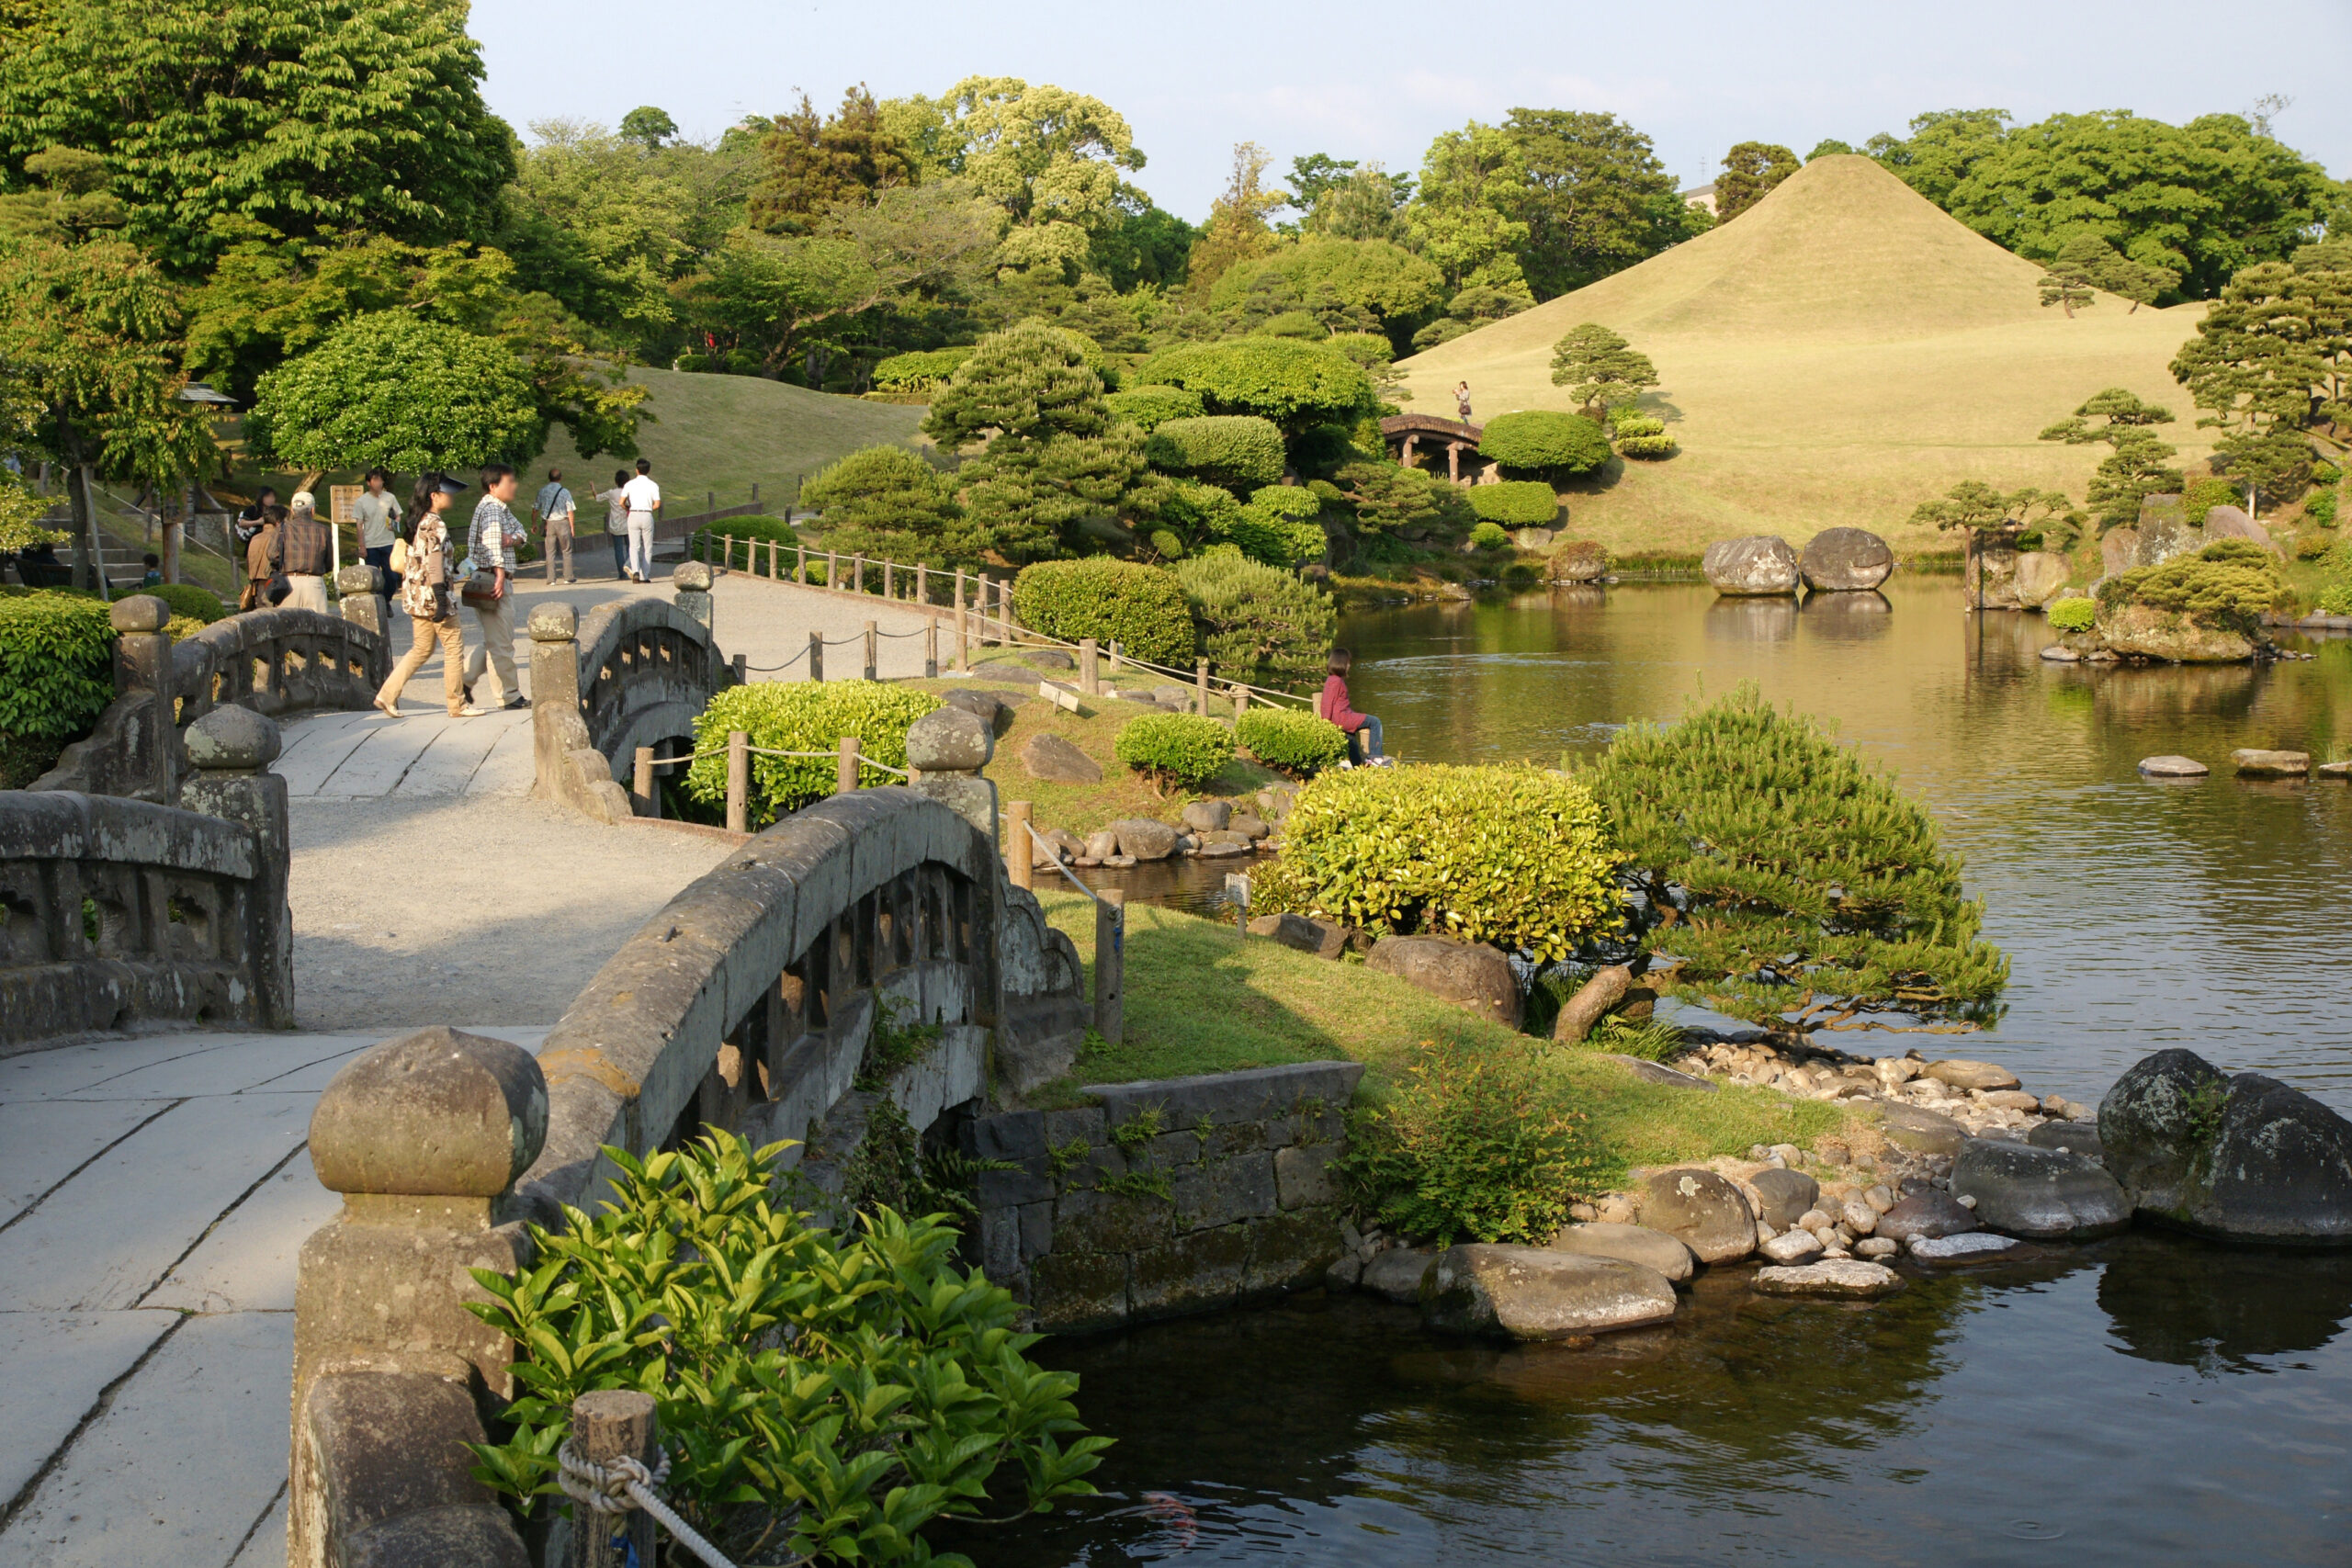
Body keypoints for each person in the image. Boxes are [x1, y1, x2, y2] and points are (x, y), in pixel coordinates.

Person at [376, 473, 481, 717]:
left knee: (421, 649)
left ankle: (386, 695)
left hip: (417, 596)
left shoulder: (419, 521)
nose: (451, 497)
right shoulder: (436, 524)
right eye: (448, 493)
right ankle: (457, 704)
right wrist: (441, 599)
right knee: (453, 648)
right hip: (435, 596)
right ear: (434, 495)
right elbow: (434, 563)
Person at [460, 462, 529, 710]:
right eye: (509, 481)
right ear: (493, 486)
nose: (514, 486)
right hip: (493, 579)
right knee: (501, 644)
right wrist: (500, 574)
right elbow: (491, 544)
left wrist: (513, 538)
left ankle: (463, 681)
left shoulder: (499, 508)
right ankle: (508, 695)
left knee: (496, 640)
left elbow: (522, 533)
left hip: (489, 577)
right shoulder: (492, 509)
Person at [1318, 647, 1391, 766]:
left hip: (1340, 719)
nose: (1349, 666)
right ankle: (1376, 757)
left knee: (1351, 741)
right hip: (1344, 718)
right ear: (1341, 664)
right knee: (1375, 722)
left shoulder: (1331, 680)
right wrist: (1325, 724)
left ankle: (1358, 767)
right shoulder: (1336, 681)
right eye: (1347, 663)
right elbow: (1326, 704)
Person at [352, 468, 404, 600]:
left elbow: (398, 515)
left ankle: (386, 600)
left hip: (388, 543)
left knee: (392, 576)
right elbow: (359, 525)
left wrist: (394, 523)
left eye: (380, 480)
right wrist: (362, 546)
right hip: (371, 545)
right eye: (375, 480)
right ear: (368, 482)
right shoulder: (361, 501)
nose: (378, 483)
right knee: (374, 579)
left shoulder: (390, 497)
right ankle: (378, 602)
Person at [278, 491, 332, 611]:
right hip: (314, 583)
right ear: (312, 510)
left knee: (289, 621)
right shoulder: (324, 530)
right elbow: (329, 562)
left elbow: (272, 555)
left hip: (288, 582)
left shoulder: (282, 529)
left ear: (292, 510)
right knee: (318, 621)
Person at [534, 467, 576, 584]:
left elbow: (535, 509)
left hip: (548, 524)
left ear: (549, 478)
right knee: (566, 550)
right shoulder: (565, 492)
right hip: (563, 522)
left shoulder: (542, 491)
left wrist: (534, 523)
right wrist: (572, 526)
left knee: (550, 552)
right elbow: (570, 510)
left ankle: (551, 579)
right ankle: (568, 577)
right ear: (560, 478)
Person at [621, 457, 661, 582]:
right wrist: (649, 508)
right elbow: (657, 504)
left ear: (637, 470)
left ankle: (635, 571)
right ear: (648, 470)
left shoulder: (629, 484)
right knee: (648, 547)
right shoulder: (653, 485)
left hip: (633, 514)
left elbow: (621, 502)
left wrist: (627, 508)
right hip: (647, 514)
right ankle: (645, 576)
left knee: (634, 546)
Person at [238, 504, 284, 610]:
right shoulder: (277, 537)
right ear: (278, 523)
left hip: (256, 586)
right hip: (272, 585)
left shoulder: (255, 538)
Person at [593, 467, 631, 579]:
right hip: (628, 524)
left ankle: (622, 574)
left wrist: (592, 487)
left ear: (616, 481)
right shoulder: (628, 493)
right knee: (630, 548)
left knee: (618, 550)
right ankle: (629, 567)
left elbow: (597, 498)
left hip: (615, 525)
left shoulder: (612, 493)